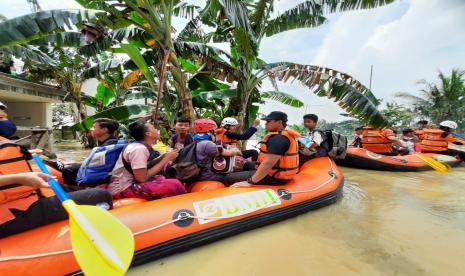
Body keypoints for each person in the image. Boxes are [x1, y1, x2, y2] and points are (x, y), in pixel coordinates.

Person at [0, 172, 112, 238]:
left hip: (17, 202)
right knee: (102, 195)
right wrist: (18, 178)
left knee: (64, 188)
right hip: (8, 216)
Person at [108, 121, 186, 200]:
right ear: (148, 134)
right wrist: (166, 159)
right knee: (175, 184)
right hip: (122, 189)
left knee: (164, 174)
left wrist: (162, 157)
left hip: (130, 182)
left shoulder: (139, 146)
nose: (156, 130)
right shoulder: (139, 149)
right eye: (154, 128)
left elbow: (145, 165)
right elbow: (141, 178)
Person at [224, 111, 300, 187]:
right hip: (277, 171)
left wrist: (250, 181)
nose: (265, 123)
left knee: (228, 178)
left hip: (275, 177)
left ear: (279, 122)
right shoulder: (283, 135)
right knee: (247, 164)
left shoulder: (278, 139)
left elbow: (268, 163)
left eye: (268, 121)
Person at [59, 118, 120, 186]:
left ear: (104, 130)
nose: (91, 129)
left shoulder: (109, 144)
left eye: (94, 127)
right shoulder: (110, 141)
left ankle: (75, 191)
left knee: (68, 170)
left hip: (102, 172)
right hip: (103, 170)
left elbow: (99, 164)